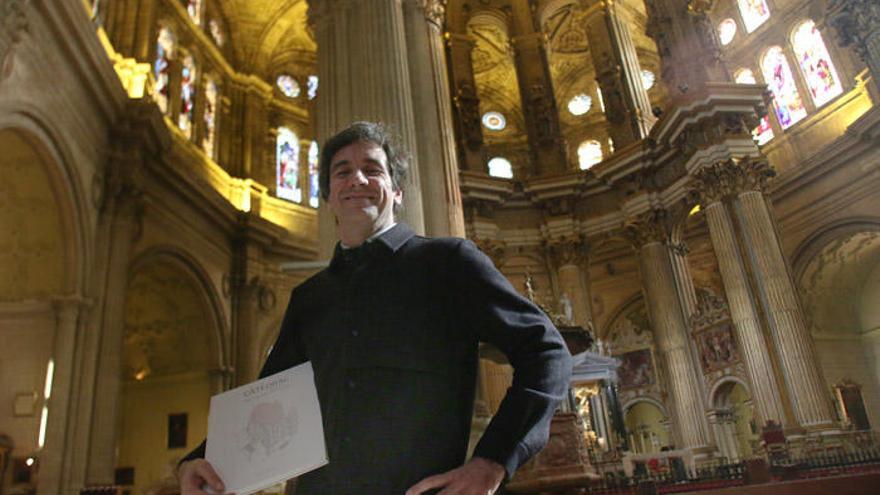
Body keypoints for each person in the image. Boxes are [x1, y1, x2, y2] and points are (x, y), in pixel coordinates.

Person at [178, 121, 572, 495]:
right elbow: (266, 402)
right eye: (343, 172)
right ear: (329, 196)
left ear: (397, 190)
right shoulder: (310, 297)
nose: (358, 180)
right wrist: (199, 461)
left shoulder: (448, 262)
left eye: (372, 169)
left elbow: (546, 351)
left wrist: (493, 460)